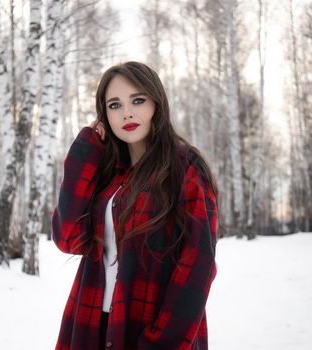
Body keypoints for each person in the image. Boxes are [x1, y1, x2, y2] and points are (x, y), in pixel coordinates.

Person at [52, 61, 219, 350]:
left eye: (138, 100)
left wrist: (160, 342)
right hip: (92, 323)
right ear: (104, 115)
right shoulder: (107, 173)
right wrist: (85, 149)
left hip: (153, 332)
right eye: (114, 105)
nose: (127, 112)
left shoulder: (184, 167)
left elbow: (198, 265)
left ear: (156, 104)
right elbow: (68, 238)